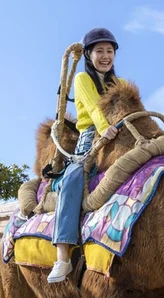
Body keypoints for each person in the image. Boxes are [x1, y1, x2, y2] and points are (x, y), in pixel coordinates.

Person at [47, 27, 122, 283]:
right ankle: (63, 255)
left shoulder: (119, 84)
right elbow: (93, 108)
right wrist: (105, 130)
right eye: (99, 50)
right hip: (92, 139)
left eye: (109, 51)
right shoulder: (82, 79)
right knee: (73, 179)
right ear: (89, 54)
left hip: (121, 135)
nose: (105, 56)